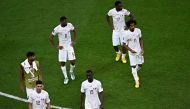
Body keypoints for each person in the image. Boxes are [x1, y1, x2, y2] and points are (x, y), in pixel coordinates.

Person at [49, 16, 77, 84]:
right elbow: (50, 38)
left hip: (70, 46)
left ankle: (71, 72)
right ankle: (66, 77)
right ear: (61, 22)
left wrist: (74, 40)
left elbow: (74, 31)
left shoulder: (69, 25)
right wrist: (56, 46)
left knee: (73, 61)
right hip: (62, 48)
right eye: (65, 22)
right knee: (62, 63)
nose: (66, 22)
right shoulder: (57, 29)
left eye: (66, 21)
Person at [124, 20, 144, 88]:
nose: (133, 26)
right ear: (128, 26)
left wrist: (142, 48)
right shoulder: (126, 34)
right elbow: (124, 44)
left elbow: (141, 39)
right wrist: (131, 50)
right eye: (131, 26)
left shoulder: (138, 30)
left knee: (140, 65)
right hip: (131, 53)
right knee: (133, 66)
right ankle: (137, 81)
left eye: (133, 25)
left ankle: (134, 72)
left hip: (139, 51)